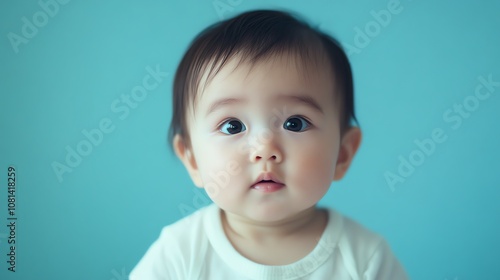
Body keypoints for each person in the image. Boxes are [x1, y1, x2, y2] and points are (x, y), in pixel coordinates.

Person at [130, 9, 408, 279]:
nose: (264, 149)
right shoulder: (180, 254)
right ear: (191, 159)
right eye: (233, 126)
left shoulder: (365, 258)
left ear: (343, 154)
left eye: (295, 123)